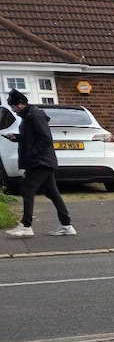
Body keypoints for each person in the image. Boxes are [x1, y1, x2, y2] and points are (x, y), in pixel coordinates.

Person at [4, 89, 76, 238]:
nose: (13, 110)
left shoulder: (34, 115)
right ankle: (66, 225)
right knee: (52, 192)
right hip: (42, 160)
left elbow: (45, 138)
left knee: (27, 190)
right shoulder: (29, 115)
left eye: (13, 106)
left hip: (40, 162)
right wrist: (17, 137)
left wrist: (32, 153)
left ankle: (26, 225)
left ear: (21, 104)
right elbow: (32, 137)